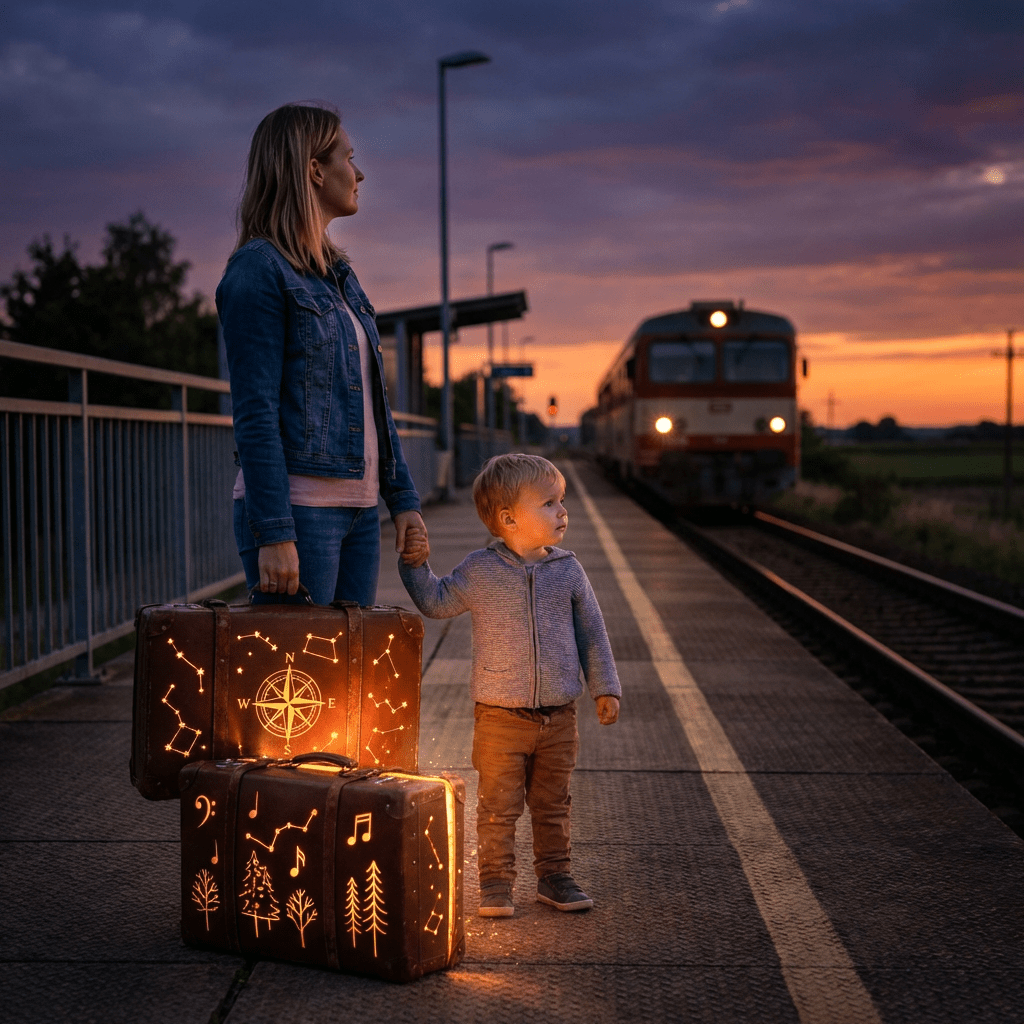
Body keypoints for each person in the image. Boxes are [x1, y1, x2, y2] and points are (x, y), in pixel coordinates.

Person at [217, 103, 428, 606]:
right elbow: (254, 412)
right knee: (295, 682)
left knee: (349, 680)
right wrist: (273, 532)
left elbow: (374, 402)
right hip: (299, 513)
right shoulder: (257, 272)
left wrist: (403, 500)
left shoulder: (338, 277)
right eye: (348, 159)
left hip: (358, 510)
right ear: (314, 170)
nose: (358, 174)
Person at [398, 454, 621, 917]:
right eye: (549, 503)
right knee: (498, 808)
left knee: (553, 804)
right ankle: (496, 884)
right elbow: (436, 602)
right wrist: (414, 566)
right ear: (509, 518)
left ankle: (554, 876)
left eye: (562, 501)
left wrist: (605, 687)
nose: (563, 511)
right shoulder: (480, 570)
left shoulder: (569, 570)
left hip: (560, 716)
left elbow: (592, 631)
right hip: (499, 718)